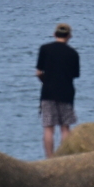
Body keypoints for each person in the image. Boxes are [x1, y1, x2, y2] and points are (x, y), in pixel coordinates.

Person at [36, 23, 80, 158]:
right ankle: (64, 157)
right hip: (66, 94)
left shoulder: (44, 49)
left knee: (48, 128)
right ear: (69, 36)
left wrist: (45, 81)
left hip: (48, 93)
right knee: (65, 128)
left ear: (54, 34)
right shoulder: (73, 53)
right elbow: (75, 75)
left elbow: (38, 72)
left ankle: (49, 158)